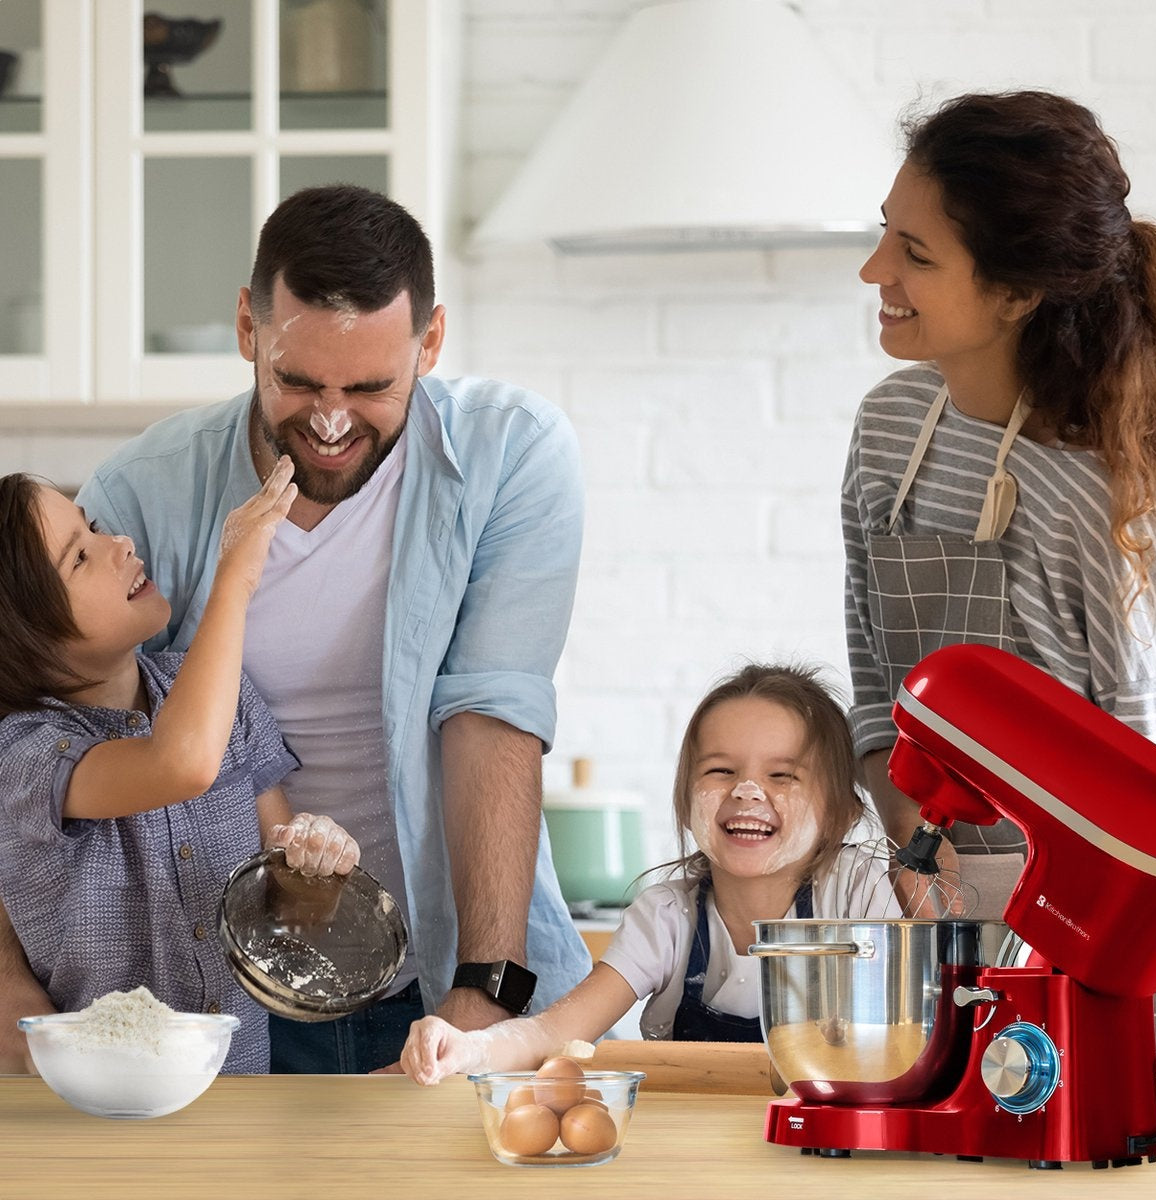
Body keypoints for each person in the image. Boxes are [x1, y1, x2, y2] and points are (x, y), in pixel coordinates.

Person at [0, 184, 592, 1075]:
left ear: (430, 342)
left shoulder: (512, 454)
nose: (328, 421)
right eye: (298, 380)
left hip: (449, 975)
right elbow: (57, 746)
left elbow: (491, 717)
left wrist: (482, 986)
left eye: (371, 386)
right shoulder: (144, 492)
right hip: (220, 1011)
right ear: (249, 328)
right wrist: (13, 992)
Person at [843, 90, 1156, 1070]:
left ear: (1016, 292)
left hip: (1139, 981)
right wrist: (918, 844)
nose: (876, 272)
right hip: (954, 946)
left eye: (917, 256)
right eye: (887, 236)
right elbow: (880, 693)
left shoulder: (1102, 501)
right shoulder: (886, 437)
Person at [0, 458, 362, 1074]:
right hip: (100, 1119)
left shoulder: (226, 698)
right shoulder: (24, 755)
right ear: (23, 631)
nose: (117, 543)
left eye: (92, 528)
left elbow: (285, 918)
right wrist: (238, 577)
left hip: (240, 1108)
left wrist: (315, 867)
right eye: (79, 558)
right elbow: (181, 764)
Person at [396, 663, 901, 1083]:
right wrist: (467, 1048)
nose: (747, 791)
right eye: (721, 771)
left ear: (842, 813)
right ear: (684, 801)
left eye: (782, 775)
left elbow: (903, 1045)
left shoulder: (858, 893)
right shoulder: (666, 918)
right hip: (684, 1152)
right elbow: (555, 1033)